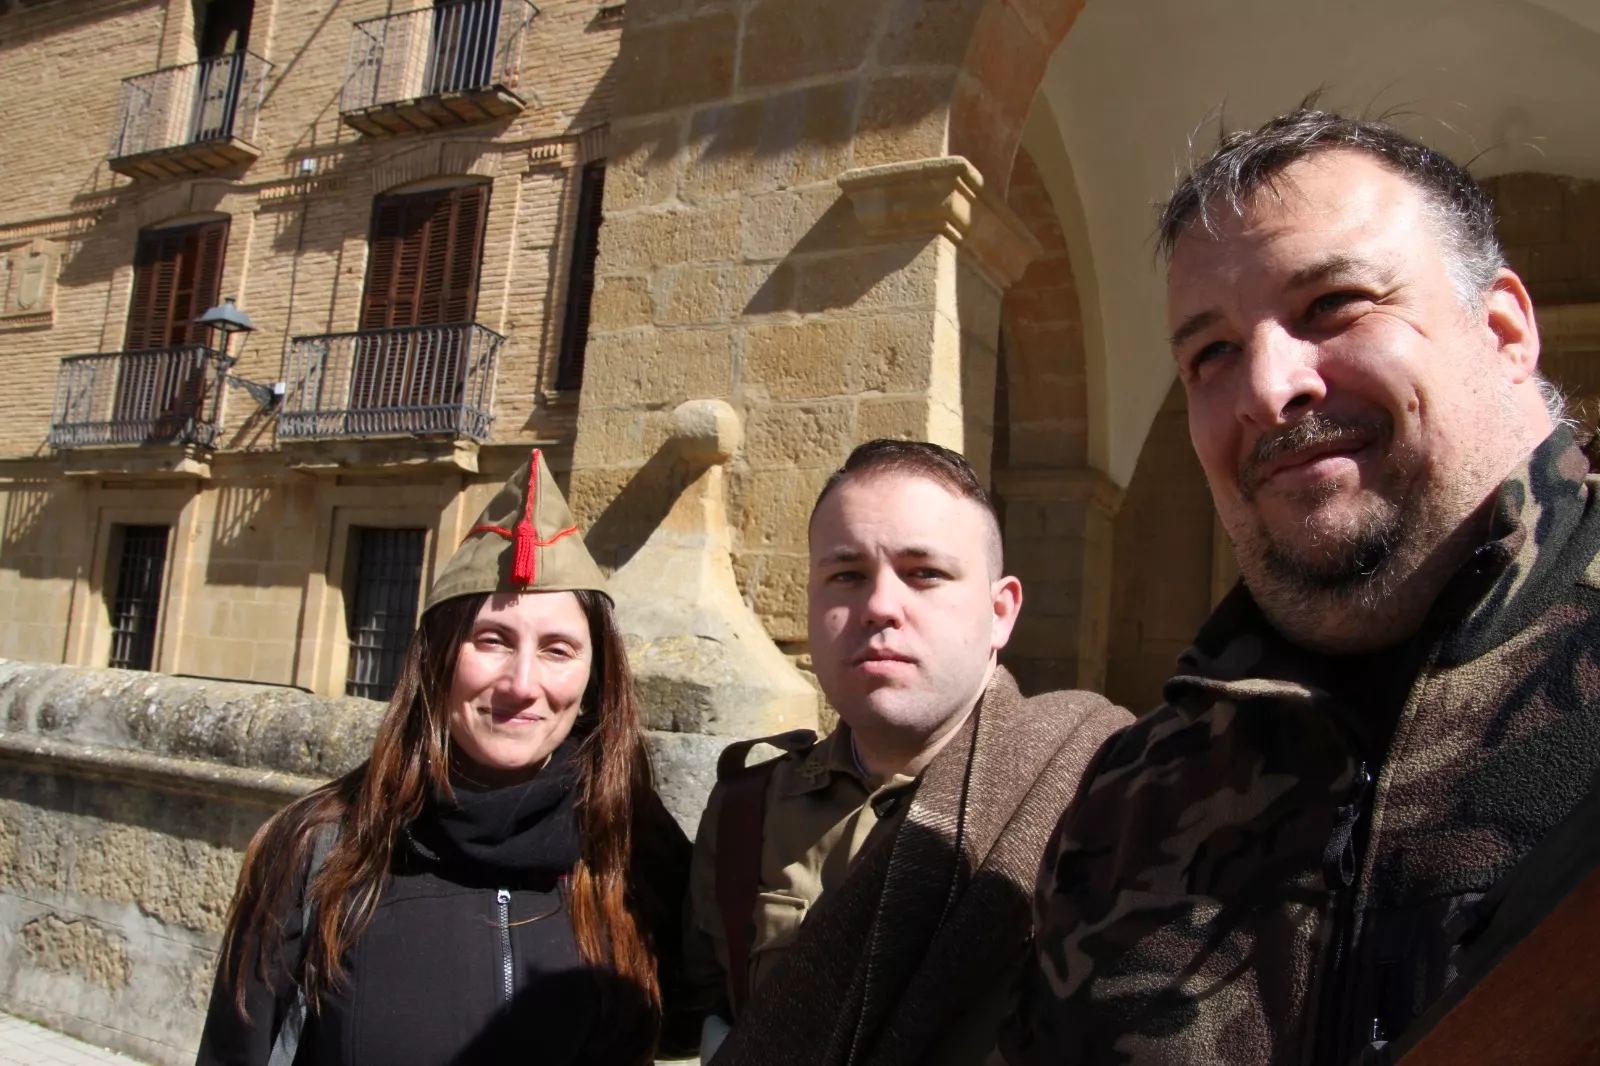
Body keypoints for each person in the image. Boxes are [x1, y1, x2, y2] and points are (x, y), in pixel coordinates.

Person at [999, 105, 1600, 1065]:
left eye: (1333, 306)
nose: (1268, 389)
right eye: (1212, 354)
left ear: (1504, 329)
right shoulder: (1128, 799)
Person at [196, 450, 699, 1066]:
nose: (522, 683)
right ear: (436, 660)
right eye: (492, 640)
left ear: (595, 681)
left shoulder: (635, 846)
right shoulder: (318, 852)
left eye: (558, 650)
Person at [686, 440, 1133, 1066]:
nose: (879, 607)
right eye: (846, 575)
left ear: (1001, 612)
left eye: (924, 573)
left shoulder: (1106, 795)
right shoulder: (747, 811)